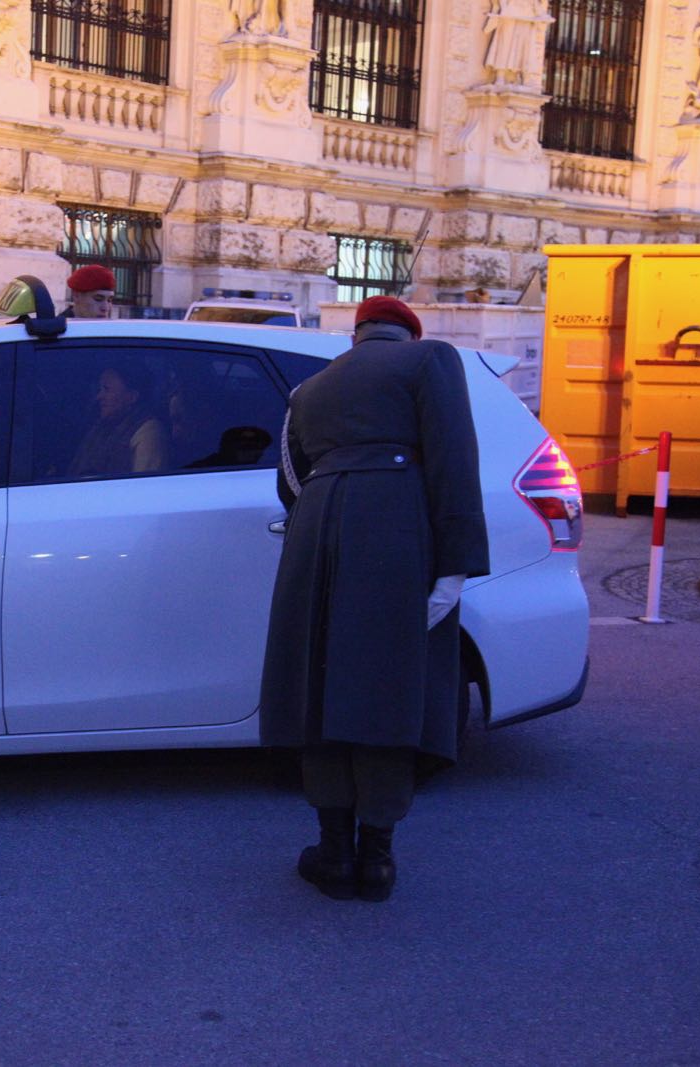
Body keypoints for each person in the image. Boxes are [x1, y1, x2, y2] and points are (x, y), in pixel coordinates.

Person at [259, 295, 491, 903]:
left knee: (324, 690)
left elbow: (289, 482)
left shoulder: (308, 390)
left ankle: (334, 852)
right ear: (407, 332)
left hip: (316, 536)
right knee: (387, 690)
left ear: (356, 336)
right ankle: (378, 858)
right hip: (395, 534)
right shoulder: (430, 360)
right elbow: (454, 462)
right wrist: (456, 565)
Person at [68, 360, 169, 477]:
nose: (99, 397)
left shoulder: (149, 432)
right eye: (99, 390)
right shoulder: (99, 429)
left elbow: (145, 487)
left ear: (132, 396)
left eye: (107, 390)